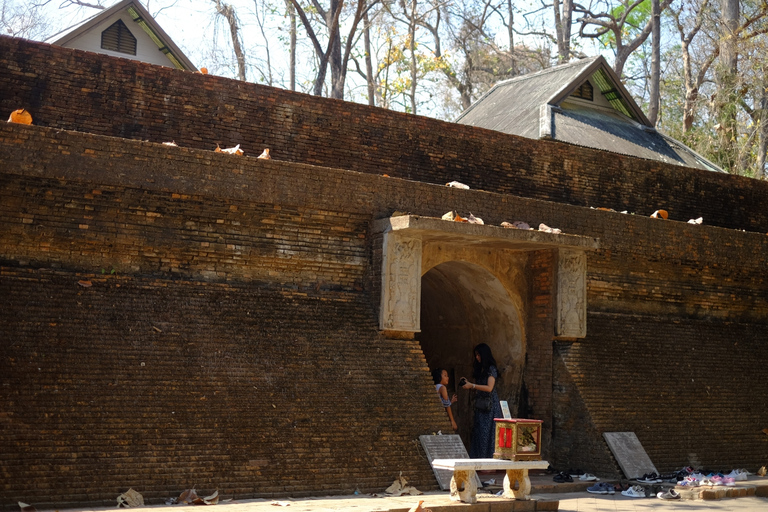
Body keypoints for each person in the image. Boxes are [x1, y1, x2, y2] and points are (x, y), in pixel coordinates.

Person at [460, 343, 502, 458]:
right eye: (476, 355)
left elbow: (489, 388)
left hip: (490, 407)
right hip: (481, 406)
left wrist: (472, 385)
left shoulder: (491, 369)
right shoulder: (482, 369)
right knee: (480, 434)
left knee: (489, 435)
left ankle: (490, 462)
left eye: (479, 355)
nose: (477, 358)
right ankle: (479, 460)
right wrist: (468, 384)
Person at [432, 367, 458, 431]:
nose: (447, 378)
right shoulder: (442, 388)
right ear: (439, 377)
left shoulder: (435, 387)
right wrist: (452, 421)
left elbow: (442, 403)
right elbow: (447, 406)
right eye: (445, 375)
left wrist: (451, 402)